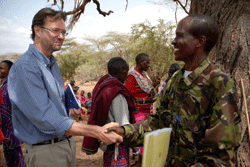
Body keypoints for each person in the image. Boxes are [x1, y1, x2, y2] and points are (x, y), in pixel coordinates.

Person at [107, 14, 241, 166]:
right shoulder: (175, 81)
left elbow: (220, 158)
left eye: (180, 36)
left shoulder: (220, 85)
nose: (173, 41)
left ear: (200, 42)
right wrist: (124, 132)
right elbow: (157, 125)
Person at [7, 7, 122, 167]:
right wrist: (96, 131)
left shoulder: (51, 64)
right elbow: (45, 118)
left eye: (64, 32)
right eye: (55, 30)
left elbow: (50, 109)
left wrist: (68, 113)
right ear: (37, 31)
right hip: (46, 152)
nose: (61, 37)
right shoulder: (26, 67)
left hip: (64, 145)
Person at [82, 57, 136, 167]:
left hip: (107, 141)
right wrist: (135, 148)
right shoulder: (117, 92)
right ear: (121, 70)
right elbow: (123, 124)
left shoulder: (104, 86)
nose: (128, 75)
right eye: (126, 71)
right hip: (117, 143)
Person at [125, 53, 157, 163]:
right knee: (141, 138)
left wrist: (151, 94)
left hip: (146, 111)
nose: (149, 65)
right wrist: (145, 101)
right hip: (137, 112)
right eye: (147, 62)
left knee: (147, 138)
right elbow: (128, 97)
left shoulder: (144, 76)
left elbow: (147, 90)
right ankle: (141, 160)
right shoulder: (132, 76)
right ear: (140, 63)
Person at [0, 60, 21, 167]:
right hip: (4, 127)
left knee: (16, 156)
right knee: (9, 155)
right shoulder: (3, 85)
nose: (0, 70)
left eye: (2, 68)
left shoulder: (11, 85)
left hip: (11, 127)